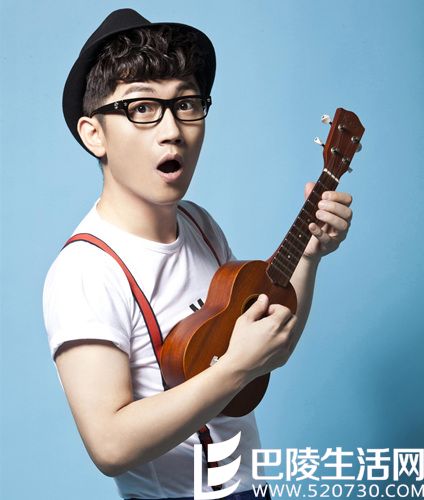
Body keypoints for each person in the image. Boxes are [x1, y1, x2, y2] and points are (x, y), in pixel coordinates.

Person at [43, 8, 353, 500]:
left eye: (186, 103)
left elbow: (269, 346)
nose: (172, 129)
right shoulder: (85, 270)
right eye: (142, 107)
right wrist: (233, 369)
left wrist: (310, 255)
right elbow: (110, 446)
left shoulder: (200, 226)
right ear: (93, 133)